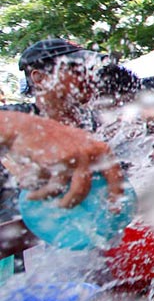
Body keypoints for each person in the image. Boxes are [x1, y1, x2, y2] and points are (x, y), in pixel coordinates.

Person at [1, 39, 123, 208]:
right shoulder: (17, 116)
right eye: (76, 69)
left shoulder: (97, 122)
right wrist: (24, 129)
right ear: (40, 78)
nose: (89, 76)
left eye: (89, 68)